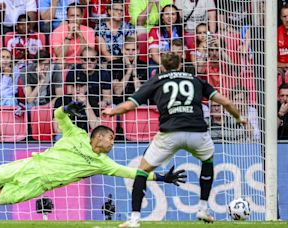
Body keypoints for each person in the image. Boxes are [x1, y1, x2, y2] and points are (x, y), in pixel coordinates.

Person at [0, 102, 186, 214]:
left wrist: (161, 176)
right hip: (31, 163)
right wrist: (66, 107)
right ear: (98, 136)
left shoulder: (103, 164)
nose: (113, 143)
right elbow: (58, 115)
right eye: (111, 138)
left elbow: (133, 173)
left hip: (37, 185)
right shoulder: (76, 134)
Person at [102, 52, 247, 227]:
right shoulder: (196, 80)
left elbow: (130, 105)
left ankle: (134, 219)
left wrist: (112, 111)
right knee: (207, 160)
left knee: (142, 171)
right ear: (180, 65)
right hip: (197, 133)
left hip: (170, 133)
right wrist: (239, 118)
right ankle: (202, 208)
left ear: (161, 67)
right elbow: (227, 102)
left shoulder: (157, 79)